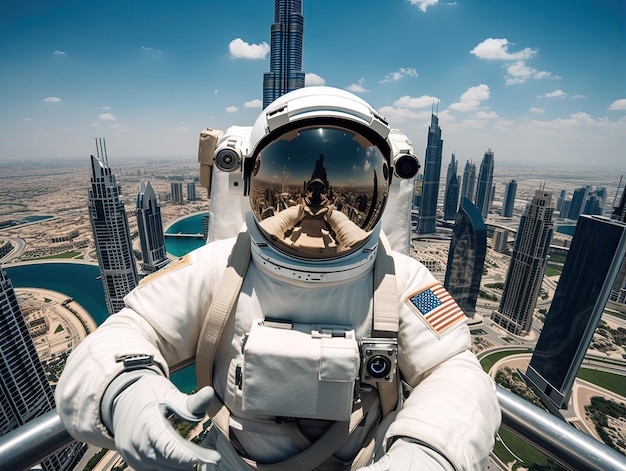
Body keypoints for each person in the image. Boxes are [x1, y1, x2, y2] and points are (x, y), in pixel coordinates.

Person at [55, 86, 501, 471]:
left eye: (346, 190)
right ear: (248, 181)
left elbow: (454, 372)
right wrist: (126, 391)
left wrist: (426, 453)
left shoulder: (403, 280)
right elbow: (128, 332)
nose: (317, 193)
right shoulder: (219, 266)